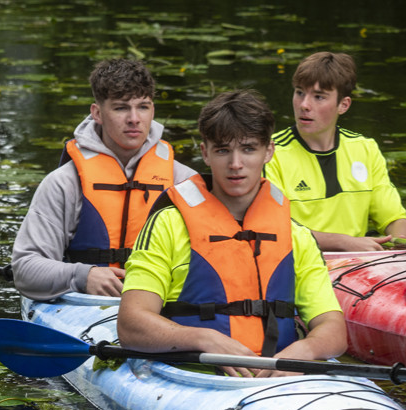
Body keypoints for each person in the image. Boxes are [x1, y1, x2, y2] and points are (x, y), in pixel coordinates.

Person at [116, 89, 347, 378]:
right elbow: (131, 323)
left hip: (280, 378)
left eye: (248, 149)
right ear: (205, 153)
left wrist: (305, 351)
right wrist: (205, 339)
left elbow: (333, 329)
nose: (235, 164)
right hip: (192, 375)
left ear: (269, 152)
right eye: (223, 150)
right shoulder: (168, 225)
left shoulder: (295, 235)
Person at [12, 58, 197, 300]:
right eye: (121, 108)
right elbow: (25, 268)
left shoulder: (184, 181)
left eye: (143, 107)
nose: (134, 119)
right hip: (84, 304)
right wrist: (83, 276)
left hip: (158, 305)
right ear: (97, 113)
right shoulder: (64, 183)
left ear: (153, 110)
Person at [265, 51, 406, 252]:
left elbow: (395, 219)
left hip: (358, 268)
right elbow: (271, 229)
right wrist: (343, 242)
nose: (304, 105)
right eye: (300, 92)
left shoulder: (366, 149)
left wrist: (402, 242)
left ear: (343, 105)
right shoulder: (269, 153)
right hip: (296, 264)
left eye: (318, 97)